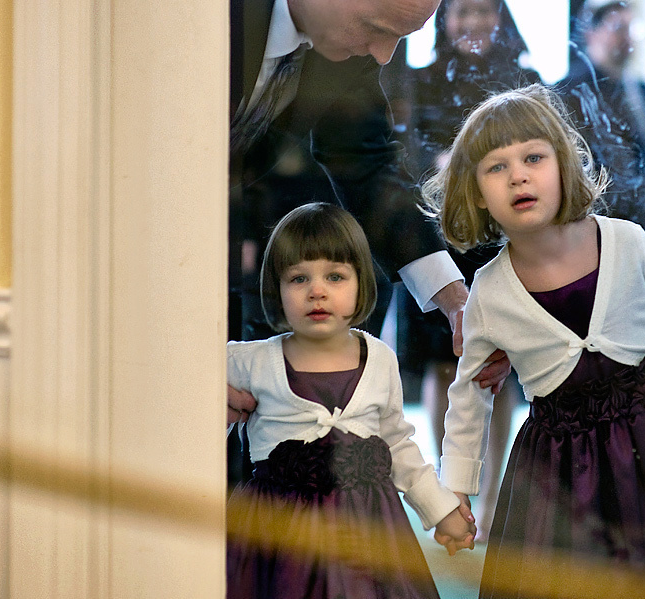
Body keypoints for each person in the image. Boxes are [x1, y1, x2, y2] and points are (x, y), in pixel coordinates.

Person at [227, 0, 512, 484]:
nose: (384, 56)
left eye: (402, 37)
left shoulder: (342, 48)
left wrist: (454, 299)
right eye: (378, 29)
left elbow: (368, 170)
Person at [423, 84, 645, 597]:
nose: (519, 175)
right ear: (476, 192)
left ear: (563, 165)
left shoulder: (633, 245)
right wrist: (456, 491)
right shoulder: (487, 291)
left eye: (533, 157)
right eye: (496, 167)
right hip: (558, 471)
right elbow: (468, 396)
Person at [226, 203, 477, 599]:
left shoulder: (380, 359)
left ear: (362, 284)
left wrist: (441, 510)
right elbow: (179, 374)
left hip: (371, 532)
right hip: (282, 540)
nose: (317, 290)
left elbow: (397, 444)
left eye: (335, 276)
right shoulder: (249, 361)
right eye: (298, 278)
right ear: (276, 289)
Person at [394, 0, 540, 541]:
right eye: (462, 13)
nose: (473, 24)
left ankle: (495, 491)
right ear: (443, 21)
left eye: (484, 12)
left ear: (502, 18)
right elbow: (402, 156)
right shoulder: (416, 80)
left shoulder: (522, 80)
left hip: (499, 234)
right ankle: (448, 486)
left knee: (497, 360)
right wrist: (443, 167)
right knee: (439, 360)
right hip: (436, 234)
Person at [558, 0, 645, 230]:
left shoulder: (642, 92)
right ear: (592, 32)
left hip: (640, 223)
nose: (627, 39)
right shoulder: (569, 92)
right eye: (617, 28)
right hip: (592, 222)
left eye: (631, 29)